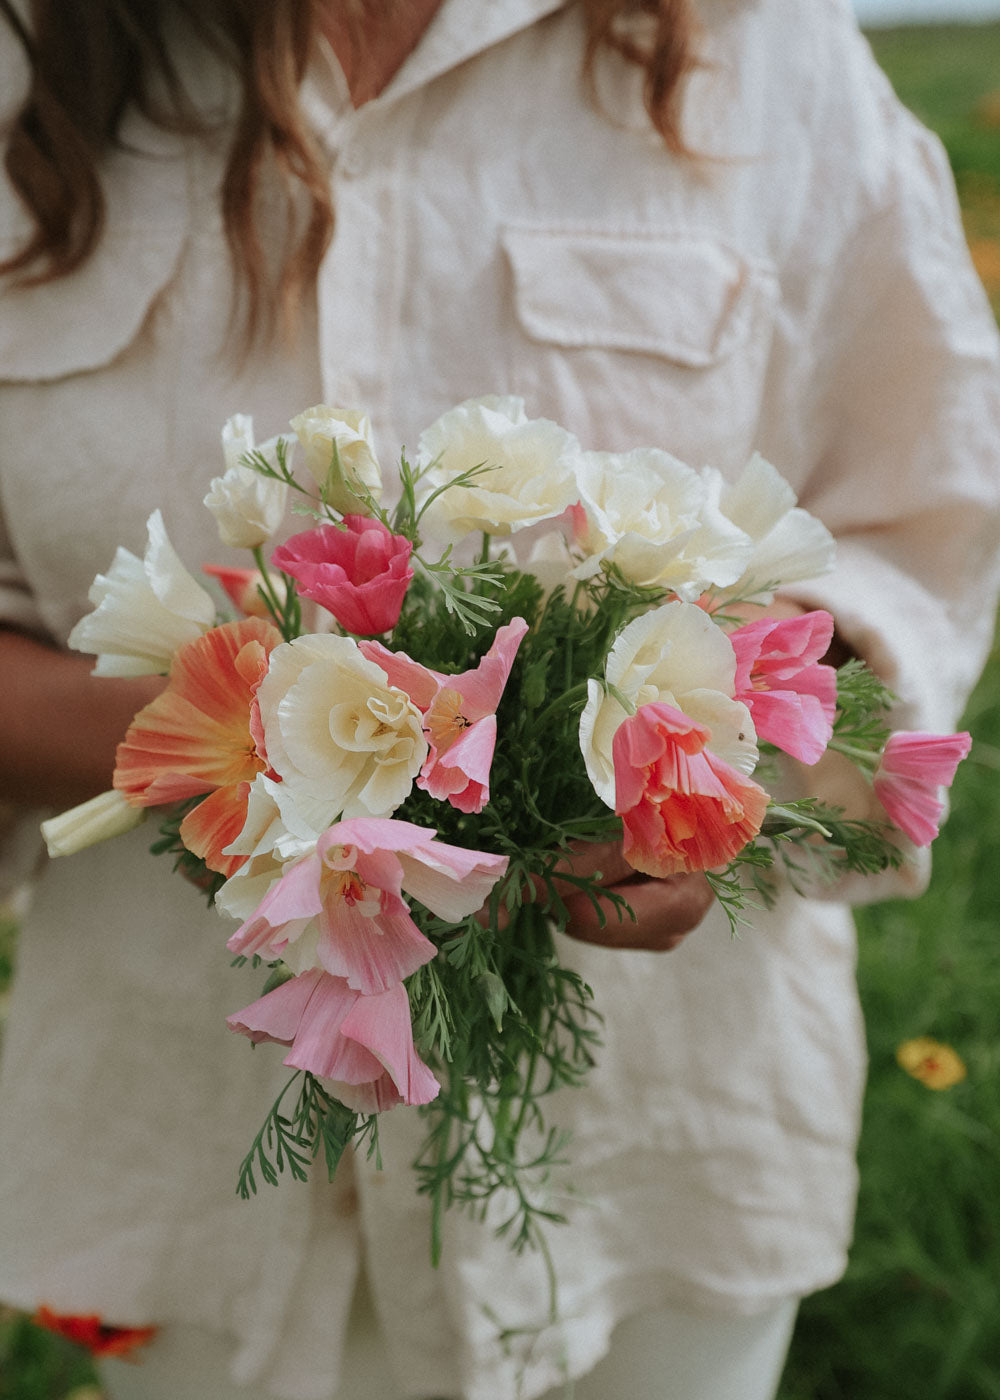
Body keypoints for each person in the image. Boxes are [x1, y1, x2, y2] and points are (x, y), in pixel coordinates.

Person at [1, 1, 998, 1397]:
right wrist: (259, 743)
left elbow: (921, 515)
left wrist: (689, 789)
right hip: (185, 1157)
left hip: (650, 1175)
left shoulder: (758, 46)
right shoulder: (39, 60)